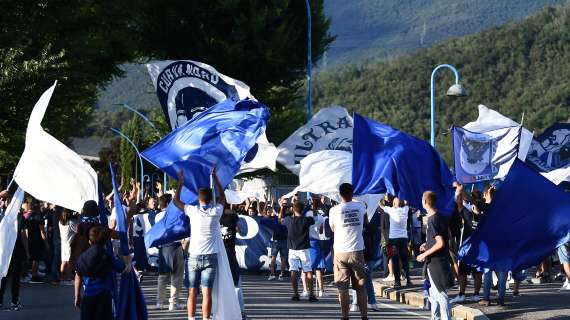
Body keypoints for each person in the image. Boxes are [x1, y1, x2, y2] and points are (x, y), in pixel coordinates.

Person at [173, 169, 226, 320]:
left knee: (192, 291)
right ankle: (205, 318)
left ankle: (191, 318)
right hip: (210, 257)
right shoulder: (216, 211)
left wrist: (181, 183)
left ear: (198, 198)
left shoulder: (193, 210)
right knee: (207, 293)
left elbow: (176, 201)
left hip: (194, 256)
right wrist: (215, 178)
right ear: (211, 199)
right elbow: (222, 197)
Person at [329, 183, 369, 320]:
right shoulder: (360, 206)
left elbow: (333, 228)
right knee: (361, 287)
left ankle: (345, 316)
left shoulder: (334, 210)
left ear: (339, 194)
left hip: (340, 251)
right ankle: (364, 316)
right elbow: (366, 222)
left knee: (342, 288)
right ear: (353, 193)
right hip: (357, 250)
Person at [74, 226, 128, 320]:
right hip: (103, 296)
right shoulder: (107, 256)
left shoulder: (82, 257)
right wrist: (125, 258)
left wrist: (77, 295)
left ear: (89, 241)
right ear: (105, 242)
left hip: (88, 296)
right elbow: (122, 267)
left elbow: (78, 276)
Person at [417, 191, 453, 320]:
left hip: (436, 263)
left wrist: (424, 254)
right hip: (439, 260)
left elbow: (440, 243)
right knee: (433, 293)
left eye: (422, 200)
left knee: (441, 295)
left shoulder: (432, 220)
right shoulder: (440, 217)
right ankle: (435, 317)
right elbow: (444, 237)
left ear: (425, 202)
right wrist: (427, 244)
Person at [278, 198, 318, 302]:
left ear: (293, 209)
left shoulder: (288, 220)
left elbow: (280, 220)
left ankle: (296, 294)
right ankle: (312, 294)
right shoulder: (307, 220)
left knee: (293, 271)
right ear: (303, 209)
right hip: (304, 249)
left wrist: (282, 207)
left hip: (292, 249)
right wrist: (314, 207)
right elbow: (315, 218)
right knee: (308, 271)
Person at [449, 183, 482, 303]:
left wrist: (459, 190)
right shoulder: (486, 214)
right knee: (477, 271)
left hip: (467, 247)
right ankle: (476, 294)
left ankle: (462, 294)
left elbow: (459, 203)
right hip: (479, 247)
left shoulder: (468, 214)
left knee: (463, 272)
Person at [155, 194, 185, 311]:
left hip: (164, 247)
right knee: (176, 277)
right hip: (175, 246)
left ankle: (160, 302)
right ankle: (173, 303)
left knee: (163, 276)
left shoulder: (158, 216)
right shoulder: (175, 214)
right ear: (168, 203)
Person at [0, 190, 27, 311]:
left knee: (3, 276)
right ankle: (14, 301)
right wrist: (27, 250)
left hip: (4, 250)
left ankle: (1, 301)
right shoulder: (20, 217)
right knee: (15, 277)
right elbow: (23, 236)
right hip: (16, 250)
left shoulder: (3, 216)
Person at [220, 205, 247, 319]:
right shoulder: (233, 216)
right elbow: (242, 232)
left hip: (219, 252)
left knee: (219, 285)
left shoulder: (214, 215)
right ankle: (240, 312)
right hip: (228, 252)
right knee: (235, 284)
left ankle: (217, 313)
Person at [381, 196, 411, 288]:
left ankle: (397, 282)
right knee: (404, 259)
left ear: (394, 204)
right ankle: (408, 279)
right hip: (403, 238)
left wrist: (379, 197)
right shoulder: (405, 209)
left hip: (393, 239)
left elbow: (381, 205)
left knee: (395, 260)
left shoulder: (391, 210)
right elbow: (407, 202)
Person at [305, 197, 329, 297]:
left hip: (309, 241)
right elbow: (320, 231)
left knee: (308, 268)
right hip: (317, 241)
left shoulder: (307, 214)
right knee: (318, 267)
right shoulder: (321, 217)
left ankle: (307, 290)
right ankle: (321, 290)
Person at [261, 206, 288, 281]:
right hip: (281, 241)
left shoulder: (274, 220)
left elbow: (264, 216)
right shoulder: (287, 220)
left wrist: (281, 207)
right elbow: (264, 215)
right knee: (280, 259)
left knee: (277, 258)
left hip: (278, 242)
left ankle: (275, 274)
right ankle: (279, 275)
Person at [25, 200, 49, 283]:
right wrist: (46, 242)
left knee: (32, 257)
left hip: (30, 239)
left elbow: (25, 230)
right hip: (37, 239)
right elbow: (42, 231)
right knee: (36, 258)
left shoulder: (27, 216)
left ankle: (31, 274)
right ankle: (34, 276)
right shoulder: (39, 217)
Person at [59, 208, 77, 285]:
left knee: (63, 261)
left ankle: (62, 278)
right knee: (70, 261)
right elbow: (77, 230)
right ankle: (69, 278)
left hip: (63, 243)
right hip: (70, 244)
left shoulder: (60, 222)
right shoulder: (71, 222)